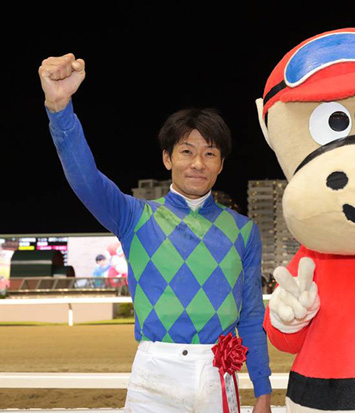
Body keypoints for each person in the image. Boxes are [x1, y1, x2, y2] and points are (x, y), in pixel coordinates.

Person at [38, 53, 272, 413]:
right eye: (187, 151)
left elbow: (252, 315)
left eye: (210, 154)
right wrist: (59, 110)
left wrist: (263, 391)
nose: (198, 163)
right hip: (153, 375)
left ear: (221, 164)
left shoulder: (244, 230)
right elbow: (85, 179)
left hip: (218, 376)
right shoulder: (134, 216)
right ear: (167, 158)